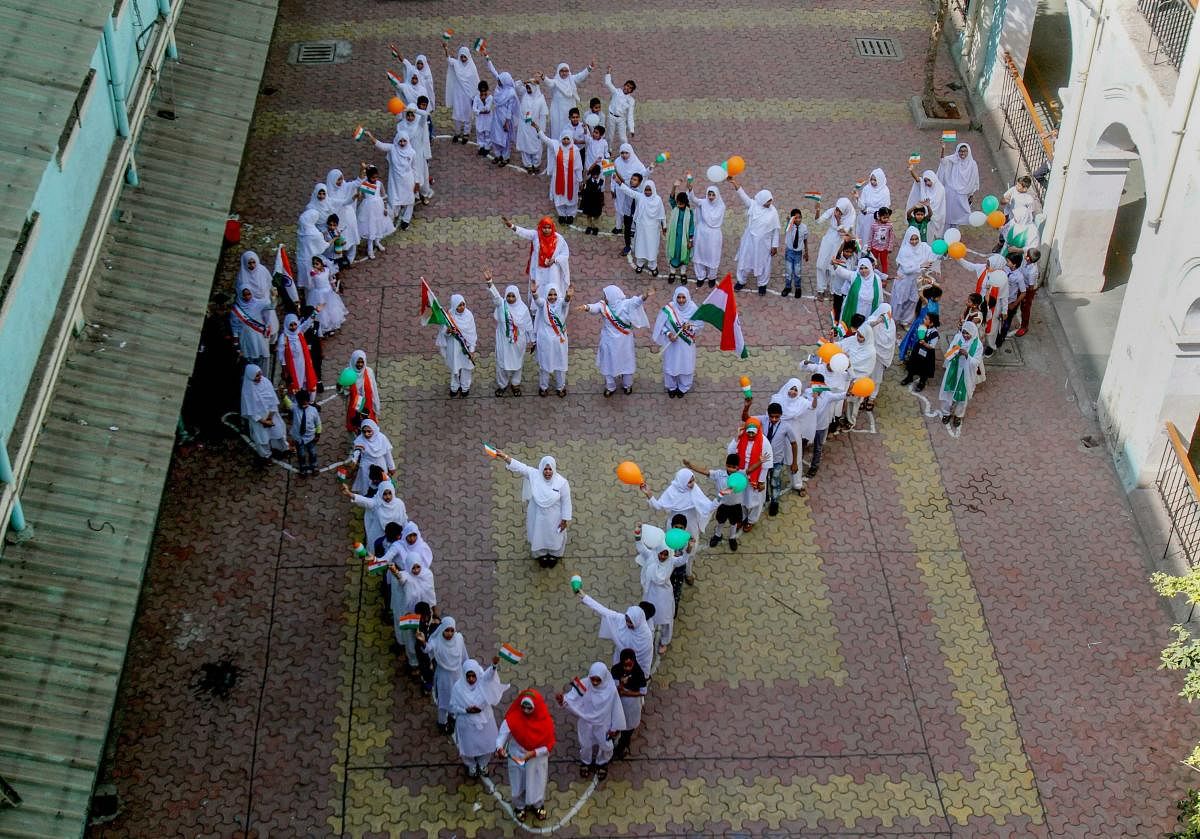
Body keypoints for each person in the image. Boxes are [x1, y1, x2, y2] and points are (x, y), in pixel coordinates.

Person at [491, 450, 572, 567]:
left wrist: (564, 520)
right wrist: (505, 457)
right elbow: (521, 467)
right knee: (538, 535)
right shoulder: (534, 475)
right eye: (545, 469)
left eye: (550, 469)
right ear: (541, 469)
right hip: (537, 516)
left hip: (554, 518)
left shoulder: (562, 483)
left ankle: (554, 555)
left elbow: (566, 502)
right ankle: (542, 555)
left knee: (554, 537)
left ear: (554, 469)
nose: (547, 472)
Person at [495, 690, 555, 823]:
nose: (526, 710)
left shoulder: (546, 722)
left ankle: (538, 805)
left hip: (537, 757)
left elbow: (548, 746)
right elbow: (502, 735)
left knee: (538, 783)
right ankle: (519, 806)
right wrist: (499, 747)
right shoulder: (514, 717)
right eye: (523, 707)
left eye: (530, 707)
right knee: (518, 783)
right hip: (517, 755)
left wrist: (533, 753)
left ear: (536, 707)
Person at [558, 662, 625, 781]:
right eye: (592, 679)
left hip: (603, 725)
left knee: (605, 746)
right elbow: (572, 697)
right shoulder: (584, 684)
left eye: (597, 680)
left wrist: (615, 727)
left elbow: (616, 709)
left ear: (603, 678)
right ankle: (586, 762)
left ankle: (602, 763)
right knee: (585, 745)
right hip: (586, 723)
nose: (594, 682)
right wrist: (563, 699)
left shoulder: (611, 690)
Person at [584, 284, 651, 396]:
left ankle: (627, 385)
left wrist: (645, 295)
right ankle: (610, 386)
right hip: (608, 342)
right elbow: (594, 308)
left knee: (626, 363)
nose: (604, 297)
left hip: (624, 342)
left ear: (612, 296)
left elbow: (637, 302)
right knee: (607, 364)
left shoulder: (626, 304)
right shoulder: (603, 305)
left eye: (605, 295)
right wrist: (586, 307)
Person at [449, 658, 509, 779]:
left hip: (485, 721)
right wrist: (466, 711)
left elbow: (489, 676)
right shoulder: (458, 688)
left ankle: (482, 764)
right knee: (467, 747)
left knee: (487, 744)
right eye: (468, 676)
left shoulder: (483, 684)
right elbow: (453, 706)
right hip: (466, 724)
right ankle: (471, 765)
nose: (471, 679)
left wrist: (494, 666)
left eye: (473, 676)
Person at [632, 524, 686, 654]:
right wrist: (638, 534)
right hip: (650, 594)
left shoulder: (672, 561)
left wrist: (689, 548)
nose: (662, 557)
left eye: (665, 555)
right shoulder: (651, 556)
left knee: (666, 620)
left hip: (664, 595)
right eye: (661, 554)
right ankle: (647, 638)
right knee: (649, 618)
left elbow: (683, 559)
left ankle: (664, 641)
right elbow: (640, 547)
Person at [741, 399, 798, 517]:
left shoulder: (786, 426)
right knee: (763, 480)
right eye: (772, 417)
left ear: (781, 415)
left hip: (777, 461)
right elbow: (746, 419)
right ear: (768, 414)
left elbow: (794, 443)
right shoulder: (763, 419)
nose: (774, 419)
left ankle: (774, 502)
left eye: (777, 417)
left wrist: (794, 462)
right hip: (762, 460)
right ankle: (765, 497)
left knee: (774, 482)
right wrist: (746, 407)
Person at [577, 590, 654, 675]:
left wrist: (645, 675)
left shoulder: (646, 636)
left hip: (635, 669)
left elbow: (646, 658)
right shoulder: (622, 620)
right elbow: (604, 611)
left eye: (631, 622)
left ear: (638, 621)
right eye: (627, 620)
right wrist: (585, 598)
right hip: (619, 659)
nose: (627, 624)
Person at [726, 178, 780, 294]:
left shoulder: (773, 212)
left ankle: (762, 284)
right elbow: (743, 196)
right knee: (745, 261)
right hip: (749, 241)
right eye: (767, 201)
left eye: (770, 201)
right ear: (761, 200)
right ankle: (741, 281)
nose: (769, 203)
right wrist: (735, 183)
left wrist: (774, 246)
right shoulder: (753, 205)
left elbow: (775, 230)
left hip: (764, 245)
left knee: (763, 264)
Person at [684, 453, 746, 552]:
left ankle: (732, 537)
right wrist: (690, 466)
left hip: (736, 505)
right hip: (723, 505)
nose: (730, 469)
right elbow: (705, 471)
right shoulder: (719, 474)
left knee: (734, 523)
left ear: (738, 467)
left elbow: (751, 470)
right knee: (720, 521)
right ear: (725, 464)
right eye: (728, 466)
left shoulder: (742, 475)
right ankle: (718, 535)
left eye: (733, 467)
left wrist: (760, 462)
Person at [485, 273, 534, 396]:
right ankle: (502, 385)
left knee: (518, 365)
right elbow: (496, 296)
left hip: (518, 343)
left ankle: (515, 384)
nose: (511, 298)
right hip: (503, 341)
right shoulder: (502, 305)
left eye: (513, 296)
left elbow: (529, 326)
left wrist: (533, 341)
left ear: (517, 296)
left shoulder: (523, 309)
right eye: (509, 296)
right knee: (502, 365)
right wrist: (490, 281)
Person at [419, 615, 468, 733]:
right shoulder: (436, 642)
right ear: (442, 629)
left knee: (456, 699)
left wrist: (468, 669)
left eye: (452, 630)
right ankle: (442, 723)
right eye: (447, 630)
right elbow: (428, 649)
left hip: (457, 676)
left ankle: (453, 717)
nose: (449, 633)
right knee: (444, 701)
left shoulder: (459, 639)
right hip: (444, 678)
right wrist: (423, 642)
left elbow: (464, 656)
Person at [955, 252, 1008, 356]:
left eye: (989, 264)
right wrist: (957, 257)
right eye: (987, 263)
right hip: (979, 303)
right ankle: (973, 343)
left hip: (993, 306)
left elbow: (1005, 296)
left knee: (991, 328)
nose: (986, 265)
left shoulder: (1002, 277)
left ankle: (991, 346)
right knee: (977, 326)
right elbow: (969, 265)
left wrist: (1004, 310)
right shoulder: (983, 268)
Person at [652, 285, 701, 397]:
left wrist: (690, 327)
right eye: (679, 297)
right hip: (672, 344)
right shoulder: (669, 309)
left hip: (686, 344)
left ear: (687, 297)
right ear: (675, 297)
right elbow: (661, 325)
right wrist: (668, 334)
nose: (681, 300)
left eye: (683, 297)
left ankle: (684, 387)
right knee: (670, 365)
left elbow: (699, 324)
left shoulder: (693, 308)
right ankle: (671, 387)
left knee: (686, 365)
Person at [503, 215, 571, 295]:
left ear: (552, 227)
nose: (546, 230)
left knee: (553, 287)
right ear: (541, 227)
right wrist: (512, 226)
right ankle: (538, 304)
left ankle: (554, 304)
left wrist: (555, 260)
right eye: (544, 227)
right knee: (538, 286)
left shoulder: (559, 238)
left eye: (549, 228)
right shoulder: (536, 235)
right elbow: (524, 232)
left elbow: (565, 253)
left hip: (553, 269)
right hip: (538, 268)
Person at [614, 174, 666, 275]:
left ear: (653, 190)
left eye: (649, 190)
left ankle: (653, 266)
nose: (647, 192)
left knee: (652, 247)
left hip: (653, 229)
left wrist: (664, 226)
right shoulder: (641, 197)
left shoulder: (658, 200)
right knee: (641, 246)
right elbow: (629, 192)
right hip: (641, 228)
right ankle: (640, 264)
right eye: (646, 190)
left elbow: (662, 215)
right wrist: (619, 182)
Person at [727, 418, 772, 530]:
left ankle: (752, 520)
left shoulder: (764, 442)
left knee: (756, 500)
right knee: (741, 498)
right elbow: (730, 452)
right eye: (749, 432)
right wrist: (737, 438)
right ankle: (742, 518)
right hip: (742, 475)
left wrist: (761, 481)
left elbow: (766, 463)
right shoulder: (741, 438)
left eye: (753, 432)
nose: (751, 435)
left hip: (756, 476)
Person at [533, 128, 582, 223]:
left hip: (571, 178)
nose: (566, 141)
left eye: (568, 139)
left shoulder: (575, 150)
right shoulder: (556, 145)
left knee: (571, 196)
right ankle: (562, 214)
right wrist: (538, 129)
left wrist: (580, 179)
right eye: (564, 139)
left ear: (571, 139)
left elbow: (578, 166)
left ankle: (571, 214)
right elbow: (546, 139)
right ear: (561, 138)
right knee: (559, 196)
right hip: (558, 177)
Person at [939, 321, 983, 429]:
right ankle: (946, 413)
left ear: (973, 333)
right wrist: (956, 351)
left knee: (962, 397)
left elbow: (976, 362)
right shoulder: (958, 338)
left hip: (966, 373)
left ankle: (958, 415)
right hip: (953, 370)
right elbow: (948, 353)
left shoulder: (978, 345)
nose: (965, 336)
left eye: (968, 334)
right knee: (948, 392)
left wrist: (967, 355)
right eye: (964, 332)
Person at [240, 365, 288, 463]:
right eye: (257, 376)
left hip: (272, 414)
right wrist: (263, 421)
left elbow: (273, 400)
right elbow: (250, 411)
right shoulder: (247, 390)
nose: (260, 378)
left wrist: (270, 418)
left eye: (260, 374)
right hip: (259, 420)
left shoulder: (265, 382)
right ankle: (266, 456)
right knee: (262, 439)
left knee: (278, 433)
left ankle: (281, 449)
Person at [346, 478, 407, 554]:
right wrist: (349, 494)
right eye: (385, 494)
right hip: (379, 534)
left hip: (396, 535)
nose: (388, 497)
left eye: (389, 493)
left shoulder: (399, 504)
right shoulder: (377, 504)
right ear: (380, 493)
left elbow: (404, 518)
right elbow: (364, 501)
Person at [531, 280, 570, 396]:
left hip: (560, 340)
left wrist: (568, 296)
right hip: (545, 340)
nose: (552, 297)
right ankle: (543, 387)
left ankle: (560, 387)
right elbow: (537, 301)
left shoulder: (561, 304)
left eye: (554, 294)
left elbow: (565, 302)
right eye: (549, 294)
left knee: (560, 364)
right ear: (546, 295)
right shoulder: (543, 304)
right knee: (545, 365)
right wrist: (534, 293)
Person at [436, 294, 478, 397]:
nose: (462, 307)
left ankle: (465, 387)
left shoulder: (469, 315)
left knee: (466, 367)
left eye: (463, 304)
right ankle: (454, 386)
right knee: (455, 368)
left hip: (466, 347)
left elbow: (472, 333)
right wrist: (448, 331)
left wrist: (472, 350)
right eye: (459, 305)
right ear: (454, 306)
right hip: (453, 346)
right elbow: (443, 331)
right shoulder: (449, 316)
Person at [814, 198, 856, 301]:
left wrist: (838, 220)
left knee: (834, 268)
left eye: (840, 210)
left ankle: (833, 290)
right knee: (820, 264)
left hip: (840, 242)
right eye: (837, 208)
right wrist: (818, 210)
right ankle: (821, 289)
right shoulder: (833, 210)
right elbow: (818, 221)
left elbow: (843, 233)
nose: (837, 211)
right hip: (829, 238)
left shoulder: (851, 217)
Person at [230, 282, 276, 373]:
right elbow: (235, 327)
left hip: (258, 337)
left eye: (249, 294)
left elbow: (271, 306)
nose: (247, 297)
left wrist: (273, 297)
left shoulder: (258, 303)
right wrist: (236, 343)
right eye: (245, 295)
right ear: (240, 295)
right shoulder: (236, 310)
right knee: (249, 364)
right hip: (245, 339)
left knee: (261, 360)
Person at [893, 226, 933, 328]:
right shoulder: (905, 250)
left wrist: (943, 251)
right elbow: (906, 270)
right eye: (912, 239)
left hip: (916, 281)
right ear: (907, 239)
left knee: (913, 301)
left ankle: (905, 321)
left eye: (916, 239)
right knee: (900, 301)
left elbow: (934, 254)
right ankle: (893, 319)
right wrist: (920, 266)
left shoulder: (923, 247)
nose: (914, 241)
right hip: (904, 281)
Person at [611, 649, 648, 759]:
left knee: (628, 729)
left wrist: (627, 693)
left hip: (632, 704)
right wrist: (620, 687)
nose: (627, 668)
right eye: (625, 665)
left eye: (629, 665)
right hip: (618, 702)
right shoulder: (616, 669)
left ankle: (621, 748)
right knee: (616, 722)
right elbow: (615, 686)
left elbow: (642, 691)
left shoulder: (639, 673)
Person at [541, 60, 594, 138]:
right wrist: (543, 77)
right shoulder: (556, 81)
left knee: (570, 128)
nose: (564, 73)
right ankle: (558, 146)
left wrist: (589, 68)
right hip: (558, 112)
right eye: (562, 71)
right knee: (557, 129)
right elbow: (549, 83)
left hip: (569, 111)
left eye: (566, 71)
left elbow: (581, 76)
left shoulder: (571, 79)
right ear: (558, 72)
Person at [688, 182, 725, 288]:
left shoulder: (721, 206)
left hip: (714, 236)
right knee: (699, 255)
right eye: (709, 194)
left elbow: (713, 220)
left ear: (717, 195)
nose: (711, 197)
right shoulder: (703, 202)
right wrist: (690, 189)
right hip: (701, 234)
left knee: (713, 256)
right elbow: (694, 199)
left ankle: (712, 277)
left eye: (713, 195)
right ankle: (700, 277)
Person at [353, 163, 394, 255]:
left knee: (378, 225)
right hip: (368, 210)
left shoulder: (379, 184)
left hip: (379, 208)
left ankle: (377, 242)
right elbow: (360, 196)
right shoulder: (365, 184)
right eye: (373, 178)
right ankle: (370, 249)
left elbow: (384, 196)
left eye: (376, 177)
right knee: (370, 227)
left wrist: (385, 208)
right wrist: (359, 192)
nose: (375, 179)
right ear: (368, 176)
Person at [444, 45, 481, 143]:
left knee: (468, 114)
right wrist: (446, 48)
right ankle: (457, 132)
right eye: (462, 57)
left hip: (468, 96)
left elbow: (475, 82)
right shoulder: (456, 64)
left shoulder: (472, 68)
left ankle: (466, 133)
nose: (463, 59)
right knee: (457, 114)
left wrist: (476, 96)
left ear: (468, 56)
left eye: (465, 57)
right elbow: (448, 59)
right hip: (457, 95)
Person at [276, 313, 318, 399]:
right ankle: (297, 401)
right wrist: (284, 368)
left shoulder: (299, 332)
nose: (293, 327)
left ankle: (309, 400)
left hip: (303, 361)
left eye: (295, 324)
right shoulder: (283, 337)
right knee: (295, 382)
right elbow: (281, 355)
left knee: (306, 379)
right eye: (291, 325)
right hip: (292, 365)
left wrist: (315, 312)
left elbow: (307, 323)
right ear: (287, 325)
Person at [324, 170, 362, 263]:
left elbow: (357, 183)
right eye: (338, 180)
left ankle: (350, 258)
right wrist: (352, 198)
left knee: (352, 235)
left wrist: (362, 171)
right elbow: (340, 202)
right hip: (338, 218)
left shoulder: (345, 185)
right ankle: (338, 257)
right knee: (340, 237)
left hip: (349, 215)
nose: (340, 181)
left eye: (341, 179)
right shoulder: (328, 192)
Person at [611, 144, 645, 247]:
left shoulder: (637, 164)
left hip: (631, 191)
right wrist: (612, 188)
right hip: (620, 189)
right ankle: (618, 226)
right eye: (622, 153)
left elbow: (644, 175)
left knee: (631, 211)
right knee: (619, 207)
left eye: (626, 153)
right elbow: (613, 175)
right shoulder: (617, 162)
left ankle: (632, 229)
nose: (624, 155)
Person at [348, 419, 395, 493]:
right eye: (364, 431)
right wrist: (354, 460)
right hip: (366, 464)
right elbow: (357, 452)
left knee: (382, 480)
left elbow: (388, 454)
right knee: (366, 480)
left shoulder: (382, 438)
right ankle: (367, 496)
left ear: (374, 429)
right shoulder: (360, 440)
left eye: (369, 431)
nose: (366, 434)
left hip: (380, 464)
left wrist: (391, 467)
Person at [938, 142, 979, 226]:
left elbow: (974, 180)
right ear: (957, 151)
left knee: (963, 210)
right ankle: (947, 225)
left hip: (964, 192)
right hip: (951, 189)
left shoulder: (972, 164)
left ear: (968, 152)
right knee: (949, 209)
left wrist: (971, 194)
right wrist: (943, 148)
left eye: (964, 151)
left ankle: (956, 225)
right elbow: (943, 161)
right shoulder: (954, 159)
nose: (962, 153)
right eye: (960, 151)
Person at [306, 256, 347, 336]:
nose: (315, 266)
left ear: (322, 264)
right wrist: (315, 271)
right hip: (319, 295)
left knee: (331, 308)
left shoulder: (327, 270)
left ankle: (332, 325)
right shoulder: (313, 272)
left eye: (317, 264)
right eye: (313, 264)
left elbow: (330, 280)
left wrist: (335, 287)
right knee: (322, 312)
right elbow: (312, 274)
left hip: (329, 292)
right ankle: (325, 328)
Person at [836, 257, 885, 324]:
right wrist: (834, 264)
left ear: (870, 267)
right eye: (861, 268)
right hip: (855, 308)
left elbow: (880, 297)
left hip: (869, 309)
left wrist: (880, 311)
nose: (864, 271)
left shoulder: (877, 279)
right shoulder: (855, 276)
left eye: (866, 268)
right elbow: (842, 272)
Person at [866, 303, 897, 409]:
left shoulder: (891, 324)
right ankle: (864, 393)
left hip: (880, 359)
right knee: (867, 374)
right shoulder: (873, 318)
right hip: (870, 355)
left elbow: (890, 342)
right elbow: (867, 326)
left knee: (876, 378)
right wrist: (877, 321)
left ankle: (872, 397)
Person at [515, 78, 549, 174]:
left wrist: (541, 131)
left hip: (535, 127)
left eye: (530, 88)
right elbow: (516, 86)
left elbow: (543, 117)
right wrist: (524, 81)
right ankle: (528, 165)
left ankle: (536, 164)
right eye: (527, 88)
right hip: (524, 127)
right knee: (524, 146)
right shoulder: (524, 94)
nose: (528, 90)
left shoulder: (540, 100)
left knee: (537, 147)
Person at [900, 310, 940, 391]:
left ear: (931, 323)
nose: (924, 320)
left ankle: (922, 382)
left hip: (927, 353)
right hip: (918, 349)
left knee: (924, 368)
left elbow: (932, 346)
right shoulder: (923, 327)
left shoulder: (935, 333)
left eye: (926, 319)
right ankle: (909, 377)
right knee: (913, 362)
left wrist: (925, 343)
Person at [906, 168, 947, 241]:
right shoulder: (923, 186)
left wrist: (929, 207)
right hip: (923, 216)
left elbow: (940, 206)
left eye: (929, 180)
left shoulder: (941, 189)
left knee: (931, 236)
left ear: (933, 179)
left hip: (934, 218)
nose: (927, 183)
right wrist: (911, 170)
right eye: (925, 181)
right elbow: (917, 179)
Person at [343, 350, 379, 432]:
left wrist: (376, 408)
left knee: (369, 428)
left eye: (362, 362)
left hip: (368, 405)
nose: (360, 365)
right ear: (353, 361)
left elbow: (374, 391)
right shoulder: (348, 374)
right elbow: (345, 392)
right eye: (357, 362)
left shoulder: (369, 372)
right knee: (356, 428)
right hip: (355, 407)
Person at [665, 184, 695, 281]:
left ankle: (683, 273)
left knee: (684, 255)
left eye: (680, 203)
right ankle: (672, 272)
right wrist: (674, 186)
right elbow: (671, 198)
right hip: (674, 238)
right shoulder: (675, 208)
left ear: (685, 203)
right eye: (677, 203)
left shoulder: (689, 212)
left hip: (684, 239)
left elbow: (691, 227)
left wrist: (690, 240)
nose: (678, 205)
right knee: (673, 253)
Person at [289, 390, 322, 476]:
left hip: (310, 437)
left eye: (305, 403)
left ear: (308, 401)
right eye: (301, 403)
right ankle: (303, 467)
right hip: (299, 438)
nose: (303, 405)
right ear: (297, 402)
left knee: (312, 452)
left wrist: (318, 434)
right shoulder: (295, 408)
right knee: (301, 454)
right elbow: (288, 404)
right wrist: (283, 396)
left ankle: (314, 466)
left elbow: (318, 423)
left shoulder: (313, 410)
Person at [854, 168, 892, 243]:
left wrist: (869, 210)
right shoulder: (866, 189)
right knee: (864, 237)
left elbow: (884, 209)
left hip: (878, 220)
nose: (872, 182)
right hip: (865, 219)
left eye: (875, 180)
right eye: (871, 179)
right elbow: (862, 207)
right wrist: (858, 198)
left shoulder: (885, 191)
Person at [603, 67, 636, 147]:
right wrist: (608, 73)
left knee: (623, 138)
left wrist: (631, 129)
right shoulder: (616, 92)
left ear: (631, 91)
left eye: (630, 88)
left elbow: (630, 115)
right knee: (610, 136)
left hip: (621, 119)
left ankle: (626, 150)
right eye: (627, 86)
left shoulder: (631, 101)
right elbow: (608, 83)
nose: (627, 88)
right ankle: (608, 150)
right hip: (611, 116)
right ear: (624, 85)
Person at [781, 208, 808, 299]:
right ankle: (788, 287)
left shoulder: (804, 227)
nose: (798, 220)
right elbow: (786, 228)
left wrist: (806, 251)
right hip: (789, 252)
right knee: (788, 270)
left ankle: (798, 287)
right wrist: (789, 221)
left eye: (800, 217)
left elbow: (805, 239)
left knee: (797, 271)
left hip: (798, 253)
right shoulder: (790, 226)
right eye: (796, 218)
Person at [1014, 247, 1041, 336]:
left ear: (1028, 258)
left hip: (1027, 290)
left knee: (1025, 308)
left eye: (1027, 254)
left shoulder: (1032, 272)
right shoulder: (1026, 261)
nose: (1025, 255)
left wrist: (1024, 295)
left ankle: (1024, 327)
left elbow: (1031, 287)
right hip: (1021, 284)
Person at [579, 163, 606, 236]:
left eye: (596, 174)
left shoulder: (601, 181)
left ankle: (595, 227)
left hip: (597, 202)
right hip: (588, 200)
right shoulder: (588, 180)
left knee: (596, 215)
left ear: (599, 174)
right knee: (589, 215)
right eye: (593, 174)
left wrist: (602, 201)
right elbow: (588, 171)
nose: (595, 176)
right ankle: (589, 226)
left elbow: (602, 192)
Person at [867, 207, 896, 274]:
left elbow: (892, 237)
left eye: (887, 217)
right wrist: (869, 246)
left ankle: (884, 277)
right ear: (879, 216)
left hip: (884, 248)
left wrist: (890, 247)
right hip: (874, 247)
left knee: (884, 262)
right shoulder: (874, 225)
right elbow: (870, 236)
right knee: (873, 261)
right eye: (884, 217)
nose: (886, 219)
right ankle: (872, 274)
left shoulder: (890, 225)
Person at [471, 80, 494, 155]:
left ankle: (487, 147)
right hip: (480, 120)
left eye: (485, 91)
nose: (483, 93)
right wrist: (480, 112)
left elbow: (487, 109)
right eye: (481, 91)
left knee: (487, 133)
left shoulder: (490, 98)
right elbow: (474, 109)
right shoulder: (476, 98)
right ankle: (481, 146)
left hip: (488, 120)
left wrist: (484, 101)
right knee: (480, 133)